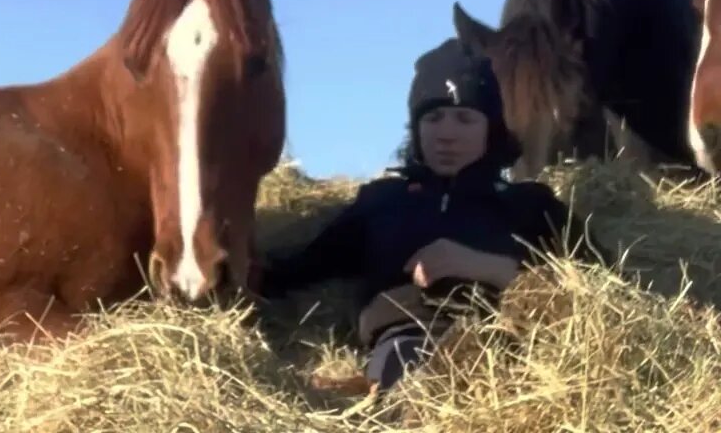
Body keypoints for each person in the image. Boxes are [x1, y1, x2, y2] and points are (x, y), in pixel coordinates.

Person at [257, 38, 608, 392]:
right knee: (414, 374)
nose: (447, 134)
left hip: (507, 354)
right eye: (434, 117)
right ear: (417, 128)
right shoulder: (381, 202)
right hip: (405, 348)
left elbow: (601, 285)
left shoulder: (529, 205)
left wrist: (486, 267)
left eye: (465, 119)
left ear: (491, 129)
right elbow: (299, 268)